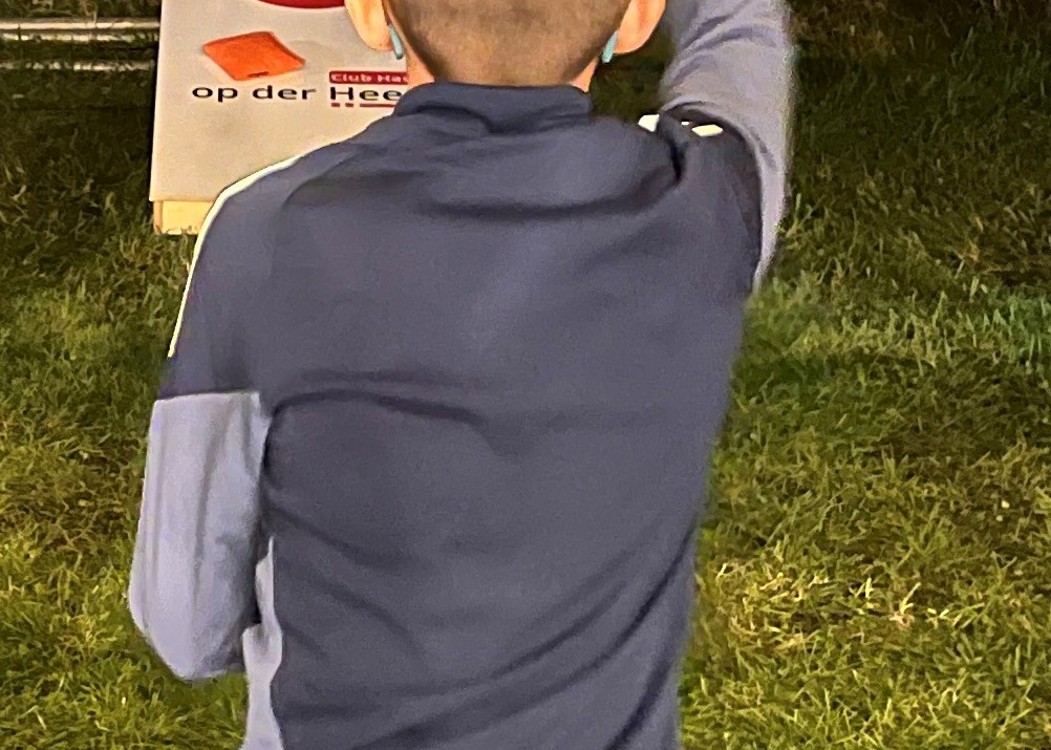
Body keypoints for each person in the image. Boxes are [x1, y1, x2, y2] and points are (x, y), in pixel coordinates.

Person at [127, 0, 793, 747]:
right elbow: (740, 30)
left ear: (370, 13)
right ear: (636, 17)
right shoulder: (698, 209)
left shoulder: (267, 232)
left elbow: (186, 623)